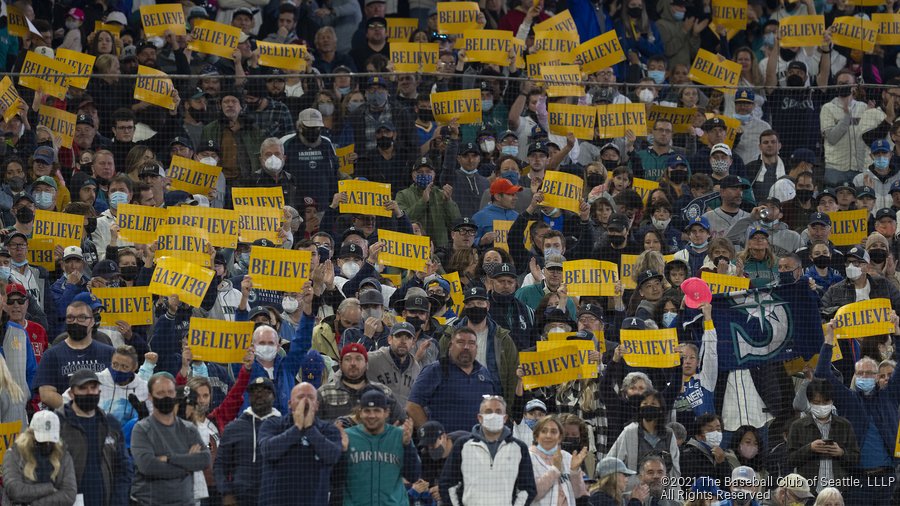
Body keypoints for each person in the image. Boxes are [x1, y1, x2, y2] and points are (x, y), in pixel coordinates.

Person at [816, 318, 900, 504]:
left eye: (869, 373)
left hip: (887, 479)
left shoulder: (889, 396)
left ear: (877, 376)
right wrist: (829, 339)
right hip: (857, 480)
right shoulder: (849, 399)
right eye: (860, 373)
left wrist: (897, 333)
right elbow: (821, 373)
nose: (864, 376)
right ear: (855, 376)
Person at [130, 372, 212, 506]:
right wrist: (187, 464)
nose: (166, 396)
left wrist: (169, 459)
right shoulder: (142, 429)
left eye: (170, 392)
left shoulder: (189, 428)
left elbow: (204, 460)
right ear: (150, 396)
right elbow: (149, 466)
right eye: (161, 393)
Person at [439, 395, 537, 505]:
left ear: (505, 418)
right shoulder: (462, 445)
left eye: (498, 412)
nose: (493, 415)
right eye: (489, 411)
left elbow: (528, 489)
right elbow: (447, 484)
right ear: (480, 418)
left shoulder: (519, 448)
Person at [257, 382, 343, 505]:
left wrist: (310, 429)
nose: (306, 401)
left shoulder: (328, 429)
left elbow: (333, 456)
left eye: (310, 397)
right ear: (290, 404)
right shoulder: (272, 424)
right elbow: (268, 451)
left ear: (317, 405)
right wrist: (297, 428)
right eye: (301, 397)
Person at [56, 369, 130, 506]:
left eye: (93, 387)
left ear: (99, 391)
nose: (89, 392)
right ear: (72, 394)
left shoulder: (110, 424)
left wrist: (118, 500)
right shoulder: (58, 423)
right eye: (83, 388)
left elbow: (123, 468)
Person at [408, 326, 502, 432]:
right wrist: (431, 435)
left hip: (477, 444)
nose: (466, 347)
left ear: (476, 347)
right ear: (450, 346)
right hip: (445, 445)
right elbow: (412, 406)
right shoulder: (436, 370)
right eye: (460, 342)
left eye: (471, 343)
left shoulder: (484, 374)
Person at [340, 389, 421, 505]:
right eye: (367, 411)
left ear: (386, 412)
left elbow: (413, 476)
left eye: (377, 411)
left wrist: (407, 446)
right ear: (360, 412)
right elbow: (335, 479)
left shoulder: (400, 436)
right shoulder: (347, 437)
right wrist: (342, 451)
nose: (372, 415)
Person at [214, 376, 281, 506]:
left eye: (265, 392)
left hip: (276, 498)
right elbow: (220, 465)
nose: (259, 395)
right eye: (255, 392)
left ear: (274, 396)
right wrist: (226, 493)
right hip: (240, 499)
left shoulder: (284, 427)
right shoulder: (233, 428)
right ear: (249, 397)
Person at [35, 300, 114, 409]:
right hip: (66, 421)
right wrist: (77, 410)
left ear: (92, 321)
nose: (75, 322)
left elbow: (119, 386)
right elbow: (46, 394)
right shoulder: (51, 355)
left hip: (102, 418)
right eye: (70, 318)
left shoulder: (109, 353)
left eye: (82, 318)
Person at [1, 411, 78, 506]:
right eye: (42, 439)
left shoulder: (63, 455)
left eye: (50, 440)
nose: (47, 443)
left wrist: (36, 504)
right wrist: (49, 488)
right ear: (30, 434)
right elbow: (15, 490)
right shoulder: (13, 455)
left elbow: (69, 494)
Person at [529, 416, 589, 506]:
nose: (548, 435)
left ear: (560, 437)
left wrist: (574, 471)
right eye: (544, 431)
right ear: (536, 436)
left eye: (553, 432)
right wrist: (555, 470)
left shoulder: (567, 457)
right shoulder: (526, 458)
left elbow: (579, 494)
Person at [365, 322, 423, 408]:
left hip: (402, 418)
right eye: (398, 336)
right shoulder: (371, 359)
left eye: (408, 337)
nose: (403, 341)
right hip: (374, 415)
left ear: (413, 343)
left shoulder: (415, 367)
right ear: (389, 339)